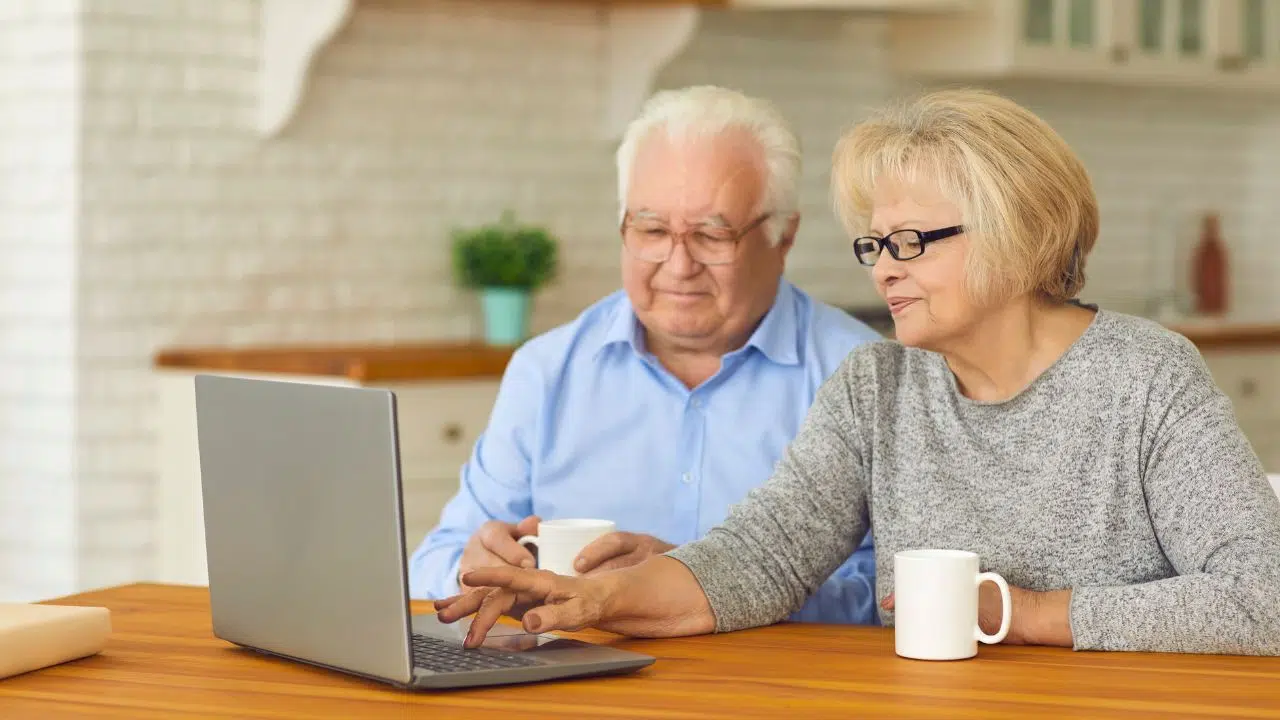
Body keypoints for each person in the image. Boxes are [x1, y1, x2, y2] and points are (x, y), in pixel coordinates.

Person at [434, 88, 1280, 655]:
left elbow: (1264, 596)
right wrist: (587, 601)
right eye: (876, 245)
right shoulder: (879, 387)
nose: (884, 270)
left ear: (1019, 234)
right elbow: (761, 555)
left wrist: (1015, 611)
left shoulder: (1145, 377)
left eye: (912, 243)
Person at [407, 85, 884, 625]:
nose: (678, 265)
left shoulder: (863, 378)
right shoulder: (547, 371)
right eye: (653, 230)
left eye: (712, 234)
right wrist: (475, 568)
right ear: (622, 226)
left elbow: (895, 596)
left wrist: (698, 586)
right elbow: (429, 564)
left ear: (783, 238)